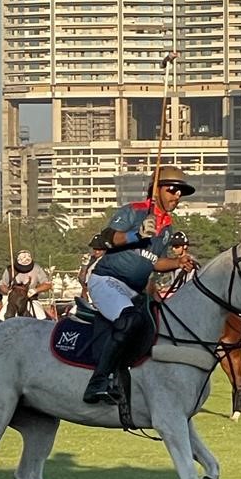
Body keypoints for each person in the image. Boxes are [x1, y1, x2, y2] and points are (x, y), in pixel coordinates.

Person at [83, 165, 197, 404]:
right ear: (156, 189)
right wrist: (137, 235)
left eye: (180, 192)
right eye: (173, 189)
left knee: (155, 324)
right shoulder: (135, 211)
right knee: (128, 321)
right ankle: (98, 383)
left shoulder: (167, 227)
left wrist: (178, 262)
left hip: (133, 290)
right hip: (107, 280)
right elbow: (106, 238)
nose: (177, 195)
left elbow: (154, 262)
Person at [0, 250, 52, 317]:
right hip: (13, 299)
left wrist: (35, 290)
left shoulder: (36, 268)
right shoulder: (10, 269)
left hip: (31, 299)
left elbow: (48, 285)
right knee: (1, 317)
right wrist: (8, 291)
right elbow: (2, 284)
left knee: (41, 317)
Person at [78, 234, 108, 300]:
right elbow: (82, 280)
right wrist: (84, 265)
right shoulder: (91, 260)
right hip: (88, 294)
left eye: (100, 249)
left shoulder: (108, 261)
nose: (97, 251)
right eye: (95, 248)